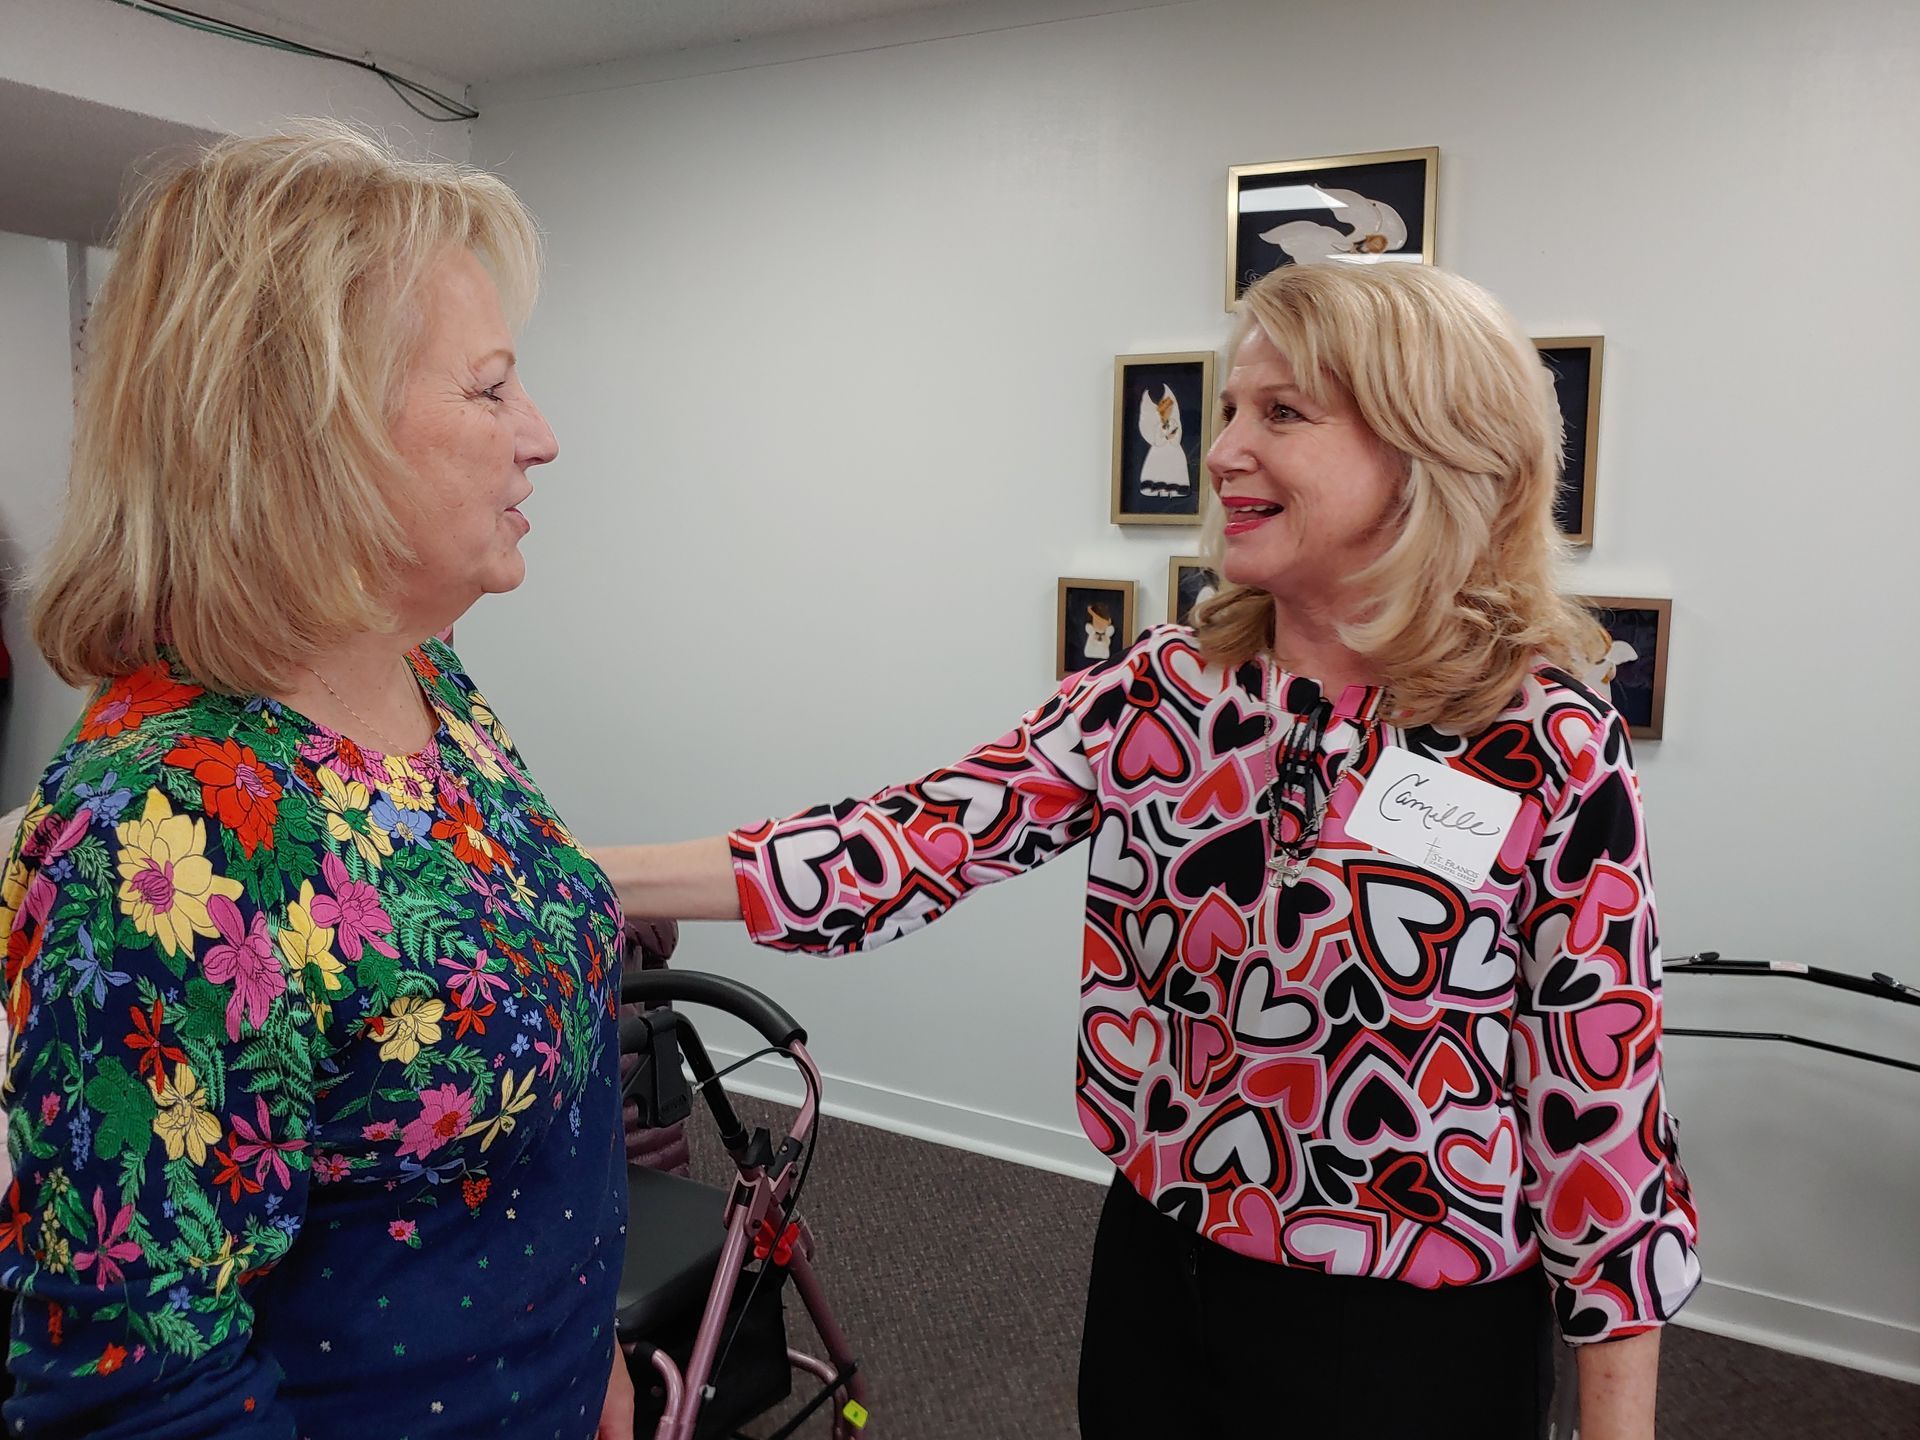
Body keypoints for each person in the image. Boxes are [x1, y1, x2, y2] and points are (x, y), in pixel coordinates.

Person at [598, 263, 1701, 1439]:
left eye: (1281, 413)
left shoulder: (1543, 744)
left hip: (1407, 1335)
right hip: (1158, 1271)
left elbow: (1603, 1121)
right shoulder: (1168, 694)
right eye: (1229, 410)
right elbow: (906, 841)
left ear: (1430, 448)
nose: (1224, 451)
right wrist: (557, 877)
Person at [0, 124, 635, 1439]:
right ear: (313, 432)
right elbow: (141, 1393)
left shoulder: (430, 684)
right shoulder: (157, 831)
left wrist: (594, 1360)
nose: (543, 436)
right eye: (490, 388)